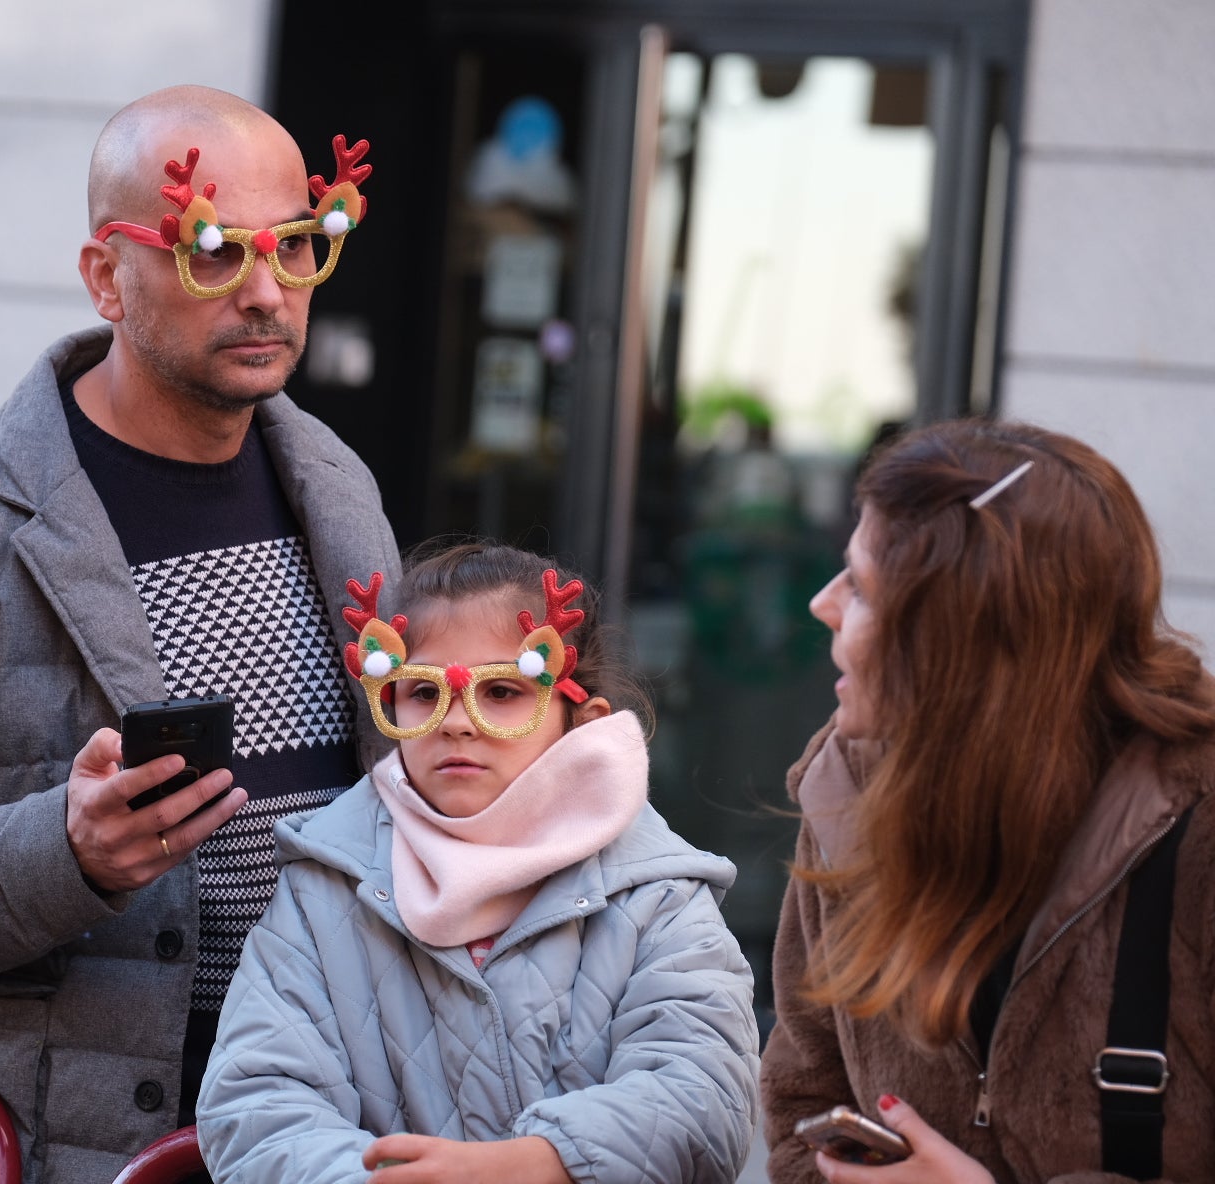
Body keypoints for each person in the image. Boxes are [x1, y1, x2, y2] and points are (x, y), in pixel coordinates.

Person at [0, 84, 400, 1183]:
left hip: (313, 1127)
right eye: (211, 251)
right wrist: (64, 852)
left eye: (297, 247)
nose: (266, 292)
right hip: (57, 1146)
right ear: (105, 275)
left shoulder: (338, 485)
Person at [198, 542, 762, 1184]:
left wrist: (536, 1166)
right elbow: (258, 1103)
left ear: (582, 721)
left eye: (500, 691)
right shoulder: (325, 888)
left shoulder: (656, 893)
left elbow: (703, 1092)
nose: (457, 723)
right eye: (422, 692)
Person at [760, 419, 1215, 1183]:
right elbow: (800, 1103)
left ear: (964, 639)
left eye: (864, 588)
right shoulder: (845, 786)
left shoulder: (1197, 821)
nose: (822, 604)